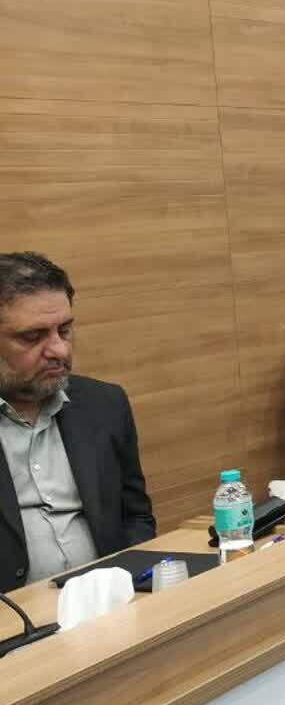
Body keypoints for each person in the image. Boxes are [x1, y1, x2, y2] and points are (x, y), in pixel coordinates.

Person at [1, 253, 154, 590]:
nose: (59, 350)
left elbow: (135, 515)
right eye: (33, 337)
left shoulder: (105, 404)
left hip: (113, 601)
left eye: (65, 330)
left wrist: (133, 586)